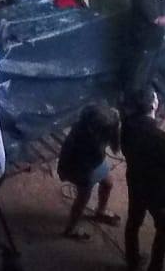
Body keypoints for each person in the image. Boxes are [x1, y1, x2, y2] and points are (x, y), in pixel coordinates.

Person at [120, 88, 165, 271]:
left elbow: (130, 150)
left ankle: (133, 261)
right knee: (164, 227)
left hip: (136, 182)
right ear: (153, 105)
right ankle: (155, 267)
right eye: (155, 98)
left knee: (133, 221)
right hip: (157, 191)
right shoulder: (160, 137)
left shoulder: (127, 125)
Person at [57, 103, 121, 241]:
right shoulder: (86, 141)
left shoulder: (86, 128)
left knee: (108, 183)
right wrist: (63, 171)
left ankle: (100, 211)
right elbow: (67, 154)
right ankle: (70, 229)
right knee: (82, 199)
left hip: (91, 166)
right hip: (81, 169)